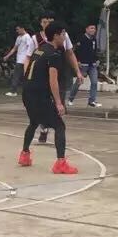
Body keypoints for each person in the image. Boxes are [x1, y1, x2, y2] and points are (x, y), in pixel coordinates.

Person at [18, 22, 78, 174]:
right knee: (59, 126)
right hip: (39, 95)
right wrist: (58, 103)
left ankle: (24, 155)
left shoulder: (39, 50)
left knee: (34, 122)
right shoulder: (54, 55)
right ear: (56, 36)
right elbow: (53, 80)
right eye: (63, 34)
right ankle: (60, 163)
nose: (64, 37)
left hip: (27, 92)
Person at [32, 13, 83, 144]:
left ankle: (59, 132)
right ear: (41, 23)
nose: (47, 24)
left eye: (50, 21)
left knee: (59, 105)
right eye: (45, 21)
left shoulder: (63, 36)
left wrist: (78, 72)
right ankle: (44, 128)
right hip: (42, 78)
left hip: (59, 76)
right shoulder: (36, 39)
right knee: (44, 106)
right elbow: (30, 59)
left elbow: (70, 53)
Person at [68, 23, 101, 107]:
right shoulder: (81, 38)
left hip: (92, 64)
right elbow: (75, 51)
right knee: (78, 82)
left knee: (94, 82)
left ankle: (92, 101)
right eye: (91, 28)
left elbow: (94, 50)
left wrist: (97, 59)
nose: (93, 30)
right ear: (86, 29)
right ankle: (70, 98)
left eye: (94, 28)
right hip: (83, 64)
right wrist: (78, 61)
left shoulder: (94, 39)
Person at [3, 25, 34, 97]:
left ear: (22, 28)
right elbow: (15, 48)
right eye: (16, 29)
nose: (17, 31)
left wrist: (28, 58)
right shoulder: (19, 37)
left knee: (17, 75)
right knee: (21, 76)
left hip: (24, 60)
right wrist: (7, 56)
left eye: (18, 29)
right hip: (19, 59)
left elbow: (30, 48)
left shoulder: (27, 37)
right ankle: (27, 91)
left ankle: (14, 91)